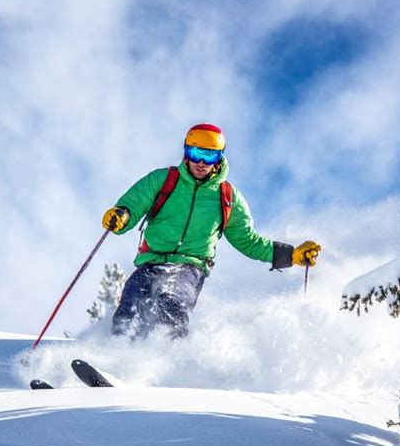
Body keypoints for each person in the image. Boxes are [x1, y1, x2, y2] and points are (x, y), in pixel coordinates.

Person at [102, 123, 321, 338]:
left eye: (209, 156)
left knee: (171, 300)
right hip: (151, 261)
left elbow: (248, 241)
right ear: (186, 152)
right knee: (130, 305)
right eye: (195, 153)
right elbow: (133, 204)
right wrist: (122, 215)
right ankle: (119, 356)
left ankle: (168, 358)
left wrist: (291, 255)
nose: (201, 162)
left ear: (219, 158)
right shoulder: (163, 180)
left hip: (190, 267)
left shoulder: (227, 197)